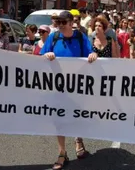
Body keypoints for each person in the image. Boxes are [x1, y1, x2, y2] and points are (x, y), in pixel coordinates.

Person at [39, 11, 97, 170]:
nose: (60, 26)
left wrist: (92, 55)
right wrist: (47, 54)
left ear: (72, 23)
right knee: (59, 119)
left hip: (77, 86)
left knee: (77, 115)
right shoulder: (54, 37)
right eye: (58, 23)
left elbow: (90, 53)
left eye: (63, 22)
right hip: (58, 86)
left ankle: (78, 140)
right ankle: (62, 152)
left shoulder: (80, 37)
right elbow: (41, 55)